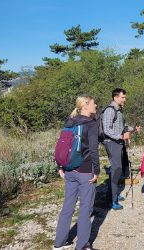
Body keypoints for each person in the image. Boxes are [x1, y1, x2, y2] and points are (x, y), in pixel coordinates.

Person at [54, 95, 99, 250]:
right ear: (86, 106)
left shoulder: (70, 121)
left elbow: (61, 146)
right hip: (85, 170)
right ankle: (82, 245)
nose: (96, 105)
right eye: (94, 103)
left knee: (68, 206)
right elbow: (93, 149)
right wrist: (96, 171)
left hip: (68, 170)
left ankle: (59, 243)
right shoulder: (91, 123)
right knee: (86, 208)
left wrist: (60, 166)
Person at [102, 88, 140, 210]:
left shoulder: (119, 110)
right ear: (116, 97)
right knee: (116, 170)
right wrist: (121, 136)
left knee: (118, 170)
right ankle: (111, 200)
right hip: (111, 143)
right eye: (123, 97)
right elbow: (107, 130)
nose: (125, 99)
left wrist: (133, 129)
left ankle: (113, 196)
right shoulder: (110, 110)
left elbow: (121, 127)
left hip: (118, 142)